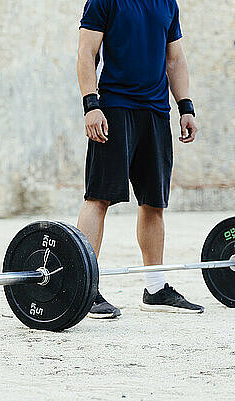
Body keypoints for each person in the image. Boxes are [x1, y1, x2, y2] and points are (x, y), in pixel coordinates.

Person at [76, 0, 204, 318]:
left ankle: (156, 288)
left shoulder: (167, 4)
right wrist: (91, 105)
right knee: (99, 197)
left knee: (154, 202)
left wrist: (185, 107)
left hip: (157, 112)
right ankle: (85, 289)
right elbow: (86, 52)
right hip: (115, 108)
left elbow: (175, 59)